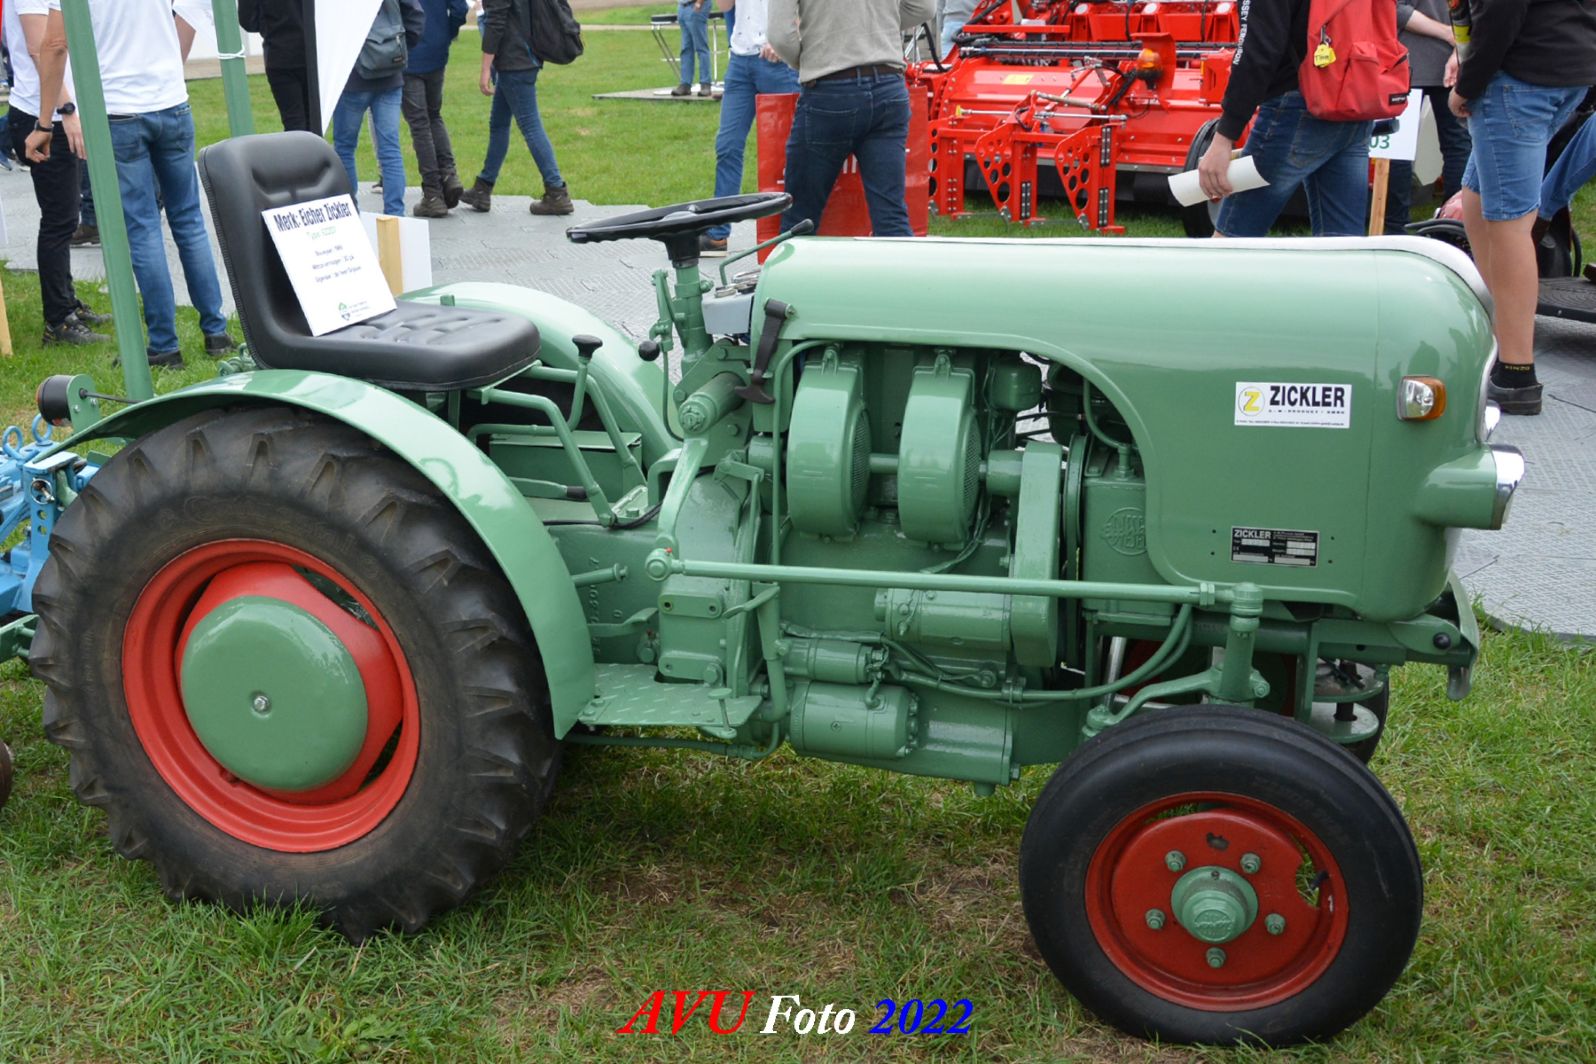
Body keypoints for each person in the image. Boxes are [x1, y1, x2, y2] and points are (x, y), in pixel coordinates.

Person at [27, 0, 235, 369]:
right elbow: (189, 12)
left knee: (143, 228)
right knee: (189, 221)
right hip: (171, 102)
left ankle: (164, 345)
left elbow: (55, 43)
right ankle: (216, 332)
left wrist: (46, 122)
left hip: (121, 110)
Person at [1448, 0, 1596, 415]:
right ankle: (1499, 333)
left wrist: (1467, 84)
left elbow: (1501, 11)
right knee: (1476, 196)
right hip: (1567, 69)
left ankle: (1516, 373)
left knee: (1510, 223)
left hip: (1519, 78)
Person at [1196, 0, 1373, 237]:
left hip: (1297, 107)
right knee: (1342, 244)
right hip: (1354, 99)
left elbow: (1257, 50)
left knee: (1233, 238)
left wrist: (1224, 137)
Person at [769, 0, 936, 238]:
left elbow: (779, 36)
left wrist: (808, 59)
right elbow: (924, 8)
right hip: (888, 82)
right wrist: (877, 27)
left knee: (799, 220)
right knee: (891, 216)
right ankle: (900, 262)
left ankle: (794, 262)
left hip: (830, 84)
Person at [5, 0, 110, 346]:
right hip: (42, 115)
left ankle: (67, 304)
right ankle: (58, 321)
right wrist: (65, 110)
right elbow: (40, 48)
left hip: (52, 113)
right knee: (59, 220)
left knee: (65, 217)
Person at [700, 0, 799, 257]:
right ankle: (718, 234)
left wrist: (786, 40)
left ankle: (794, 231)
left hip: (778, 62)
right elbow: (725, 6)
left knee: (789, 152)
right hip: (740, 60)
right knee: (727, 146)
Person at [460, 0, 575, 216]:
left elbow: (496, 22)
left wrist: (485, 69)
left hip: (515, 61)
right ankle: (483, 188)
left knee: (530, 126)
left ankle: (556, 192)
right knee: (499, 124)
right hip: (524, 56)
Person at [1384, 0, 1471, 234]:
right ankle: (1454, 225)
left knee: (1400, 148)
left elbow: (1395, 9)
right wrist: (1455, 39)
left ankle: (1396, 228)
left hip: (1408, 59)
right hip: (1449, 57)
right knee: (1457, 144)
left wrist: (1453, 38)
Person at [333, 0, 425, 218]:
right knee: (390, 149)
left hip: (352, 76)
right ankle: (395, 215)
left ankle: (350, 213)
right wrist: (398, 47)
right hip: (389, 73)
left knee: (344, 148)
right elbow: (416, 15)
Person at [405, 0, 469, 218]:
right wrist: (445, 34)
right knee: (433, 116)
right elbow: (460, 9)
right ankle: (449, 174)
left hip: (409, 52)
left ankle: (433, 192)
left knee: (419, 124)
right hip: (436, 50)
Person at [237, 0, 313, 133]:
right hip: (311, 52)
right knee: (314, 120)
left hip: (279, 51)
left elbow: (247, 20)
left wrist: (269, 24)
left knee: (293, 122)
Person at [674, 0, 712, 97]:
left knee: (701, 47)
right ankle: (685, 84)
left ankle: (705, 84)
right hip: (683, 6)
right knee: (686, 48)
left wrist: (699, 3)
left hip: (696, 5)